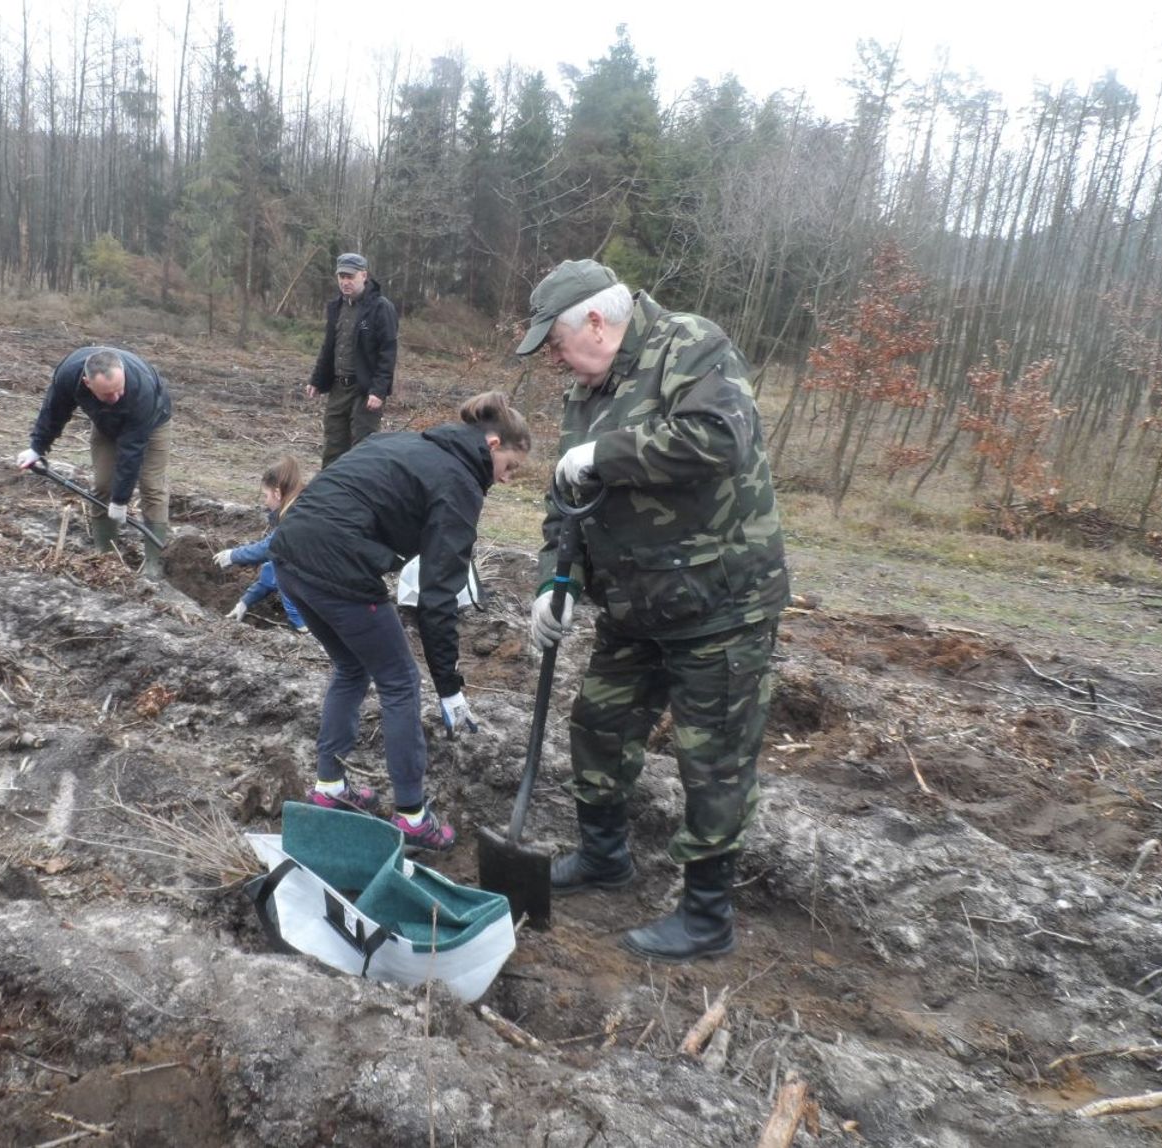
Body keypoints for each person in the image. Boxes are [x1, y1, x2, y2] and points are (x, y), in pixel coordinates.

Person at [516, 259, 790, 964]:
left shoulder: (690, 345)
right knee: (598, 727)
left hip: (719, 606)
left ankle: (706, 916)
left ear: (596, 322)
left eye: (557, 344)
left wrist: (603, 455)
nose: (555, 360)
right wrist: (556, 582)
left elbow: (718, 438)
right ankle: (604, 856)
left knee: (713, 760)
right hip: (634, 608)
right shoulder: (586, 393)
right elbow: (565, 505)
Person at [270, 391, 532, 852]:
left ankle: (329, 789)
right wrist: (449, 686)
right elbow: (437, 597)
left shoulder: (400, 441)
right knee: (401, 681)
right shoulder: (459, 483)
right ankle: (412, 816)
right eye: (510, 467)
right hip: (337, 567)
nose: (507, 479)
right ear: (492, 444)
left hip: (289, 555)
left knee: (351, 667)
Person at [16, 347, 173, 579]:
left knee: (152, 486)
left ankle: (154, 564)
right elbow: (54, 410)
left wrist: (121, 501)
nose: (115, 398)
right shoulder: (69, 374)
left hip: (152, 422)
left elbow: (132, 450)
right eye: (107, 394)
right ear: (87, 383)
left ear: (123, 374)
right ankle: (106, 555)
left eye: (119, 390)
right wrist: (37, 448)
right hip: (105, 423)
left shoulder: (141, 389)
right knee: (102, 485)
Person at [305, 252, 399, 469]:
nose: (345, 282)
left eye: (350, 277)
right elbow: (329, 346)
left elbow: (388, 352)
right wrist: (317, 380)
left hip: (364, 390)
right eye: (342, 277)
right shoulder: (336, 306)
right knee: (333, 446)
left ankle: (360, 489)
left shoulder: (380, 307)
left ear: (363, 276)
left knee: (362, 450)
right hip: (338, 387)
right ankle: (330, 488)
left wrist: (379, 390)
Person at [214, 456, 310, 633]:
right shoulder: (301, 504)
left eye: (266, 495)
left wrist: (233, 555)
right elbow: (275, 565)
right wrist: (245, 602)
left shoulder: (300, 515)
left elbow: (271, 547)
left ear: (277, 493)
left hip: (335, 587)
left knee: (288, 574)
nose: (265, 502)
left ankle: (304, 628)